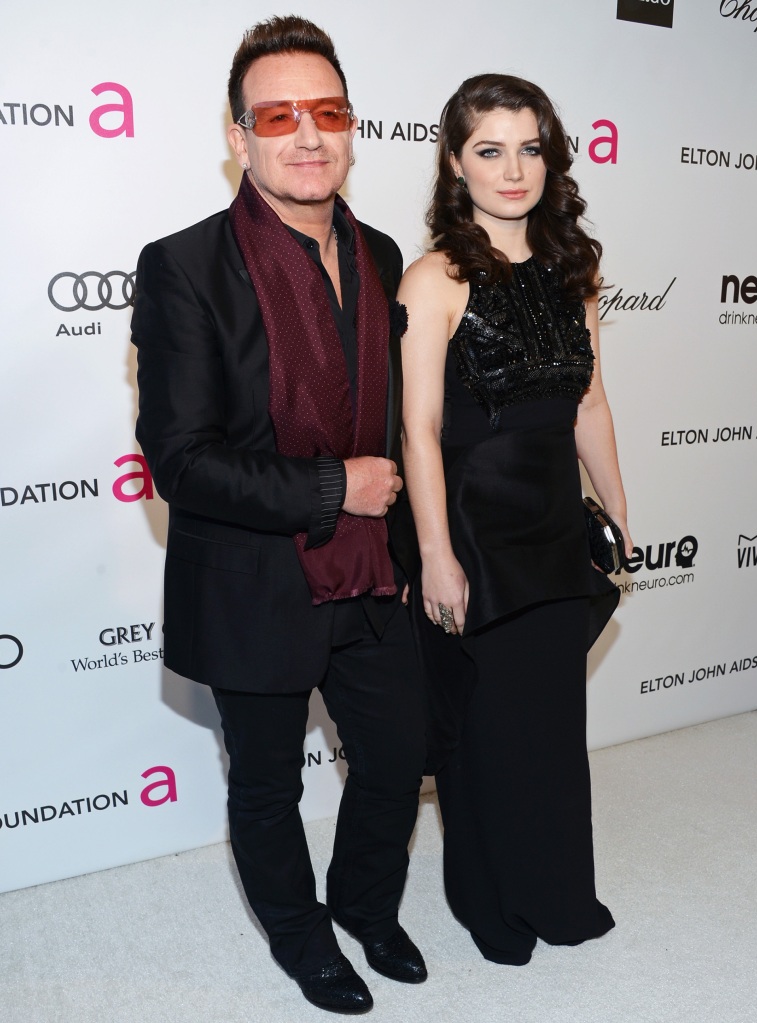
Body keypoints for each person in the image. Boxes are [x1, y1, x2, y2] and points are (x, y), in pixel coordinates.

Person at [131, 16, 426, 1015]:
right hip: (258, 583)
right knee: (268, 786)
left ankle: (365, 904)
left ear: (352, 128)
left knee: (396, 755)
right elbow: (180, 460)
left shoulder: (385, 253)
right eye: (279, 115)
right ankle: (303, 942)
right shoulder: (183, 267)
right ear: (240, 136)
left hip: (375, 574)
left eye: (328, 112)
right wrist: (333, 486)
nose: (308, 135)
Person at [398, 73, 633, 968]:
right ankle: (487, 899)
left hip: (549, 524)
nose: (513, 168)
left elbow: (592, 403)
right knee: (485, 731)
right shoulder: (437, 277)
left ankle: (557, 890)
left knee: (550, 729)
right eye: (489, 150)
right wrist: (435, 553)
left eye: (530, 147)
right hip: (475, 530)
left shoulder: (577, 270)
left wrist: (619, 506)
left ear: (552, 157)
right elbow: (417, 429)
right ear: (457, 164)